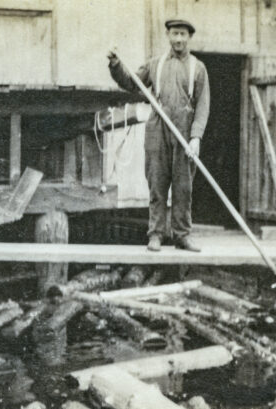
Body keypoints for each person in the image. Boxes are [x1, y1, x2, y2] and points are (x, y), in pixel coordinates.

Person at [108, 18, 210, 252]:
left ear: (189, 37)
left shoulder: (198, 68)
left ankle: (182, 235)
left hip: (184, 131)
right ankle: (156, 234)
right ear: (168, 36)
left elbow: (203, 105)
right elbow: (131, 82)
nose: (178, 39)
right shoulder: (156, 64)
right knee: (157, 182)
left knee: (183, 187)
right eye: (174, 34)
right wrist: (115, 64)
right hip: (158, 127)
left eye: (183, 34)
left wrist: (196, 137)